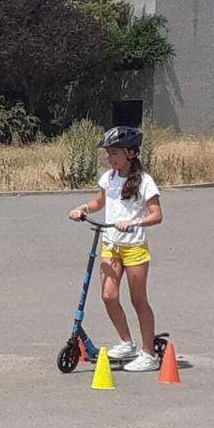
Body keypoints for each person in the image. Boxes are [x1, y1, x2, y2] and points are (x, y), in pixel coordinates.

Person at [68, 126, 164, 372]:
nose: (110, 158)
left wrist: (134, 222)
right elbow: (99, 202)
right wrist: (83, 209)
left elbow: (157, 215)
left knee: (138, 299)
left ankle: (148, 353)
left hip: (134, 247)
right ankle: (126, 342)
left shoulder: (144, 181)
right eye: (108, 153)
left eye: (115, 153)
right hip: (111, 244)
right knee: (108, 296)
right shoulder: (108, 178)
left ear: (130, 153)